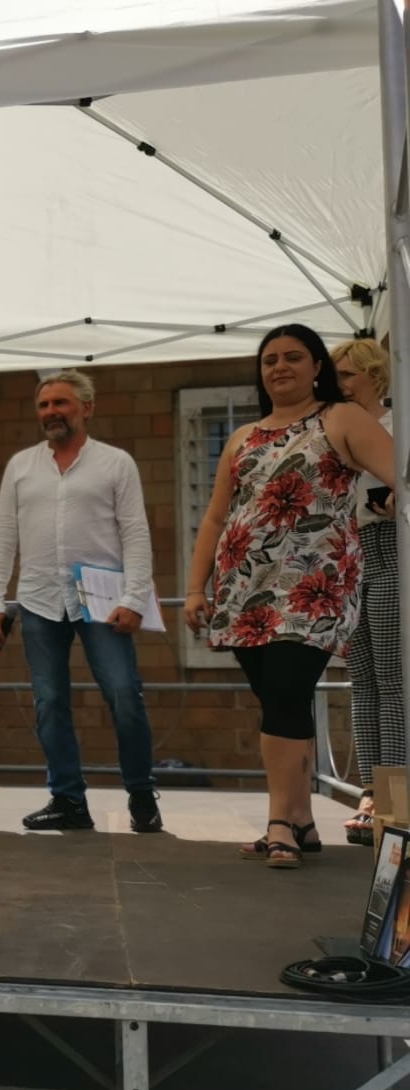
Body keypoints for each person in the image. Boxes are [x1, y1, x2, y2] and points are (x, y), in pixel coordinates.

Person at [185, 325, 395, 867]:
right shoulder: (243, 436)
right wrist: (195, 588)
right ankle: (301, 819)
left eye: (293, 357)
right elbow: (216, 517)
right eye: (270, 359)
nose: (279, 367)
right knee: (283, 700)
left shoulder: (341, 418)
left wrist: (388, 505)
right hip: (244, 588)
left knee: (284, 691)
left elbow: (401, 473)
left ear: (317, 366)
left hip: (313, 587)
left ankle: (279, 822)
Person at [0, 370, 162, 834]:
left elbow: (136, 533)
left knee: (124, 693)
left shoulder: (116, 463)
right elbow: (2, 536)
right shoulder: (21, 465)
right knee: (49, 701)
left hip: (103, 600)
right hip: (39, 598)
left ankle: (142, 794)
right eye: (44, 405)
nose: (51, 412)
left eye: (60, 403)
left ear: (87, 407)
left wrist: (135, 597)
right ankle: (68, 800)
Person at [332, 337, 399, 844]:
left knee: (393, 680)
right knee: (364, 681)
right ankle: (371, 794)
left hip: (393, 551)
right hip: (351, 556)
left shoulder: (398, 426)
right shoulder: (334, 430)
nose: (339, 384)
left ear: (375, 375)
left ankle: (394, 804)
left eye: (348, 375)